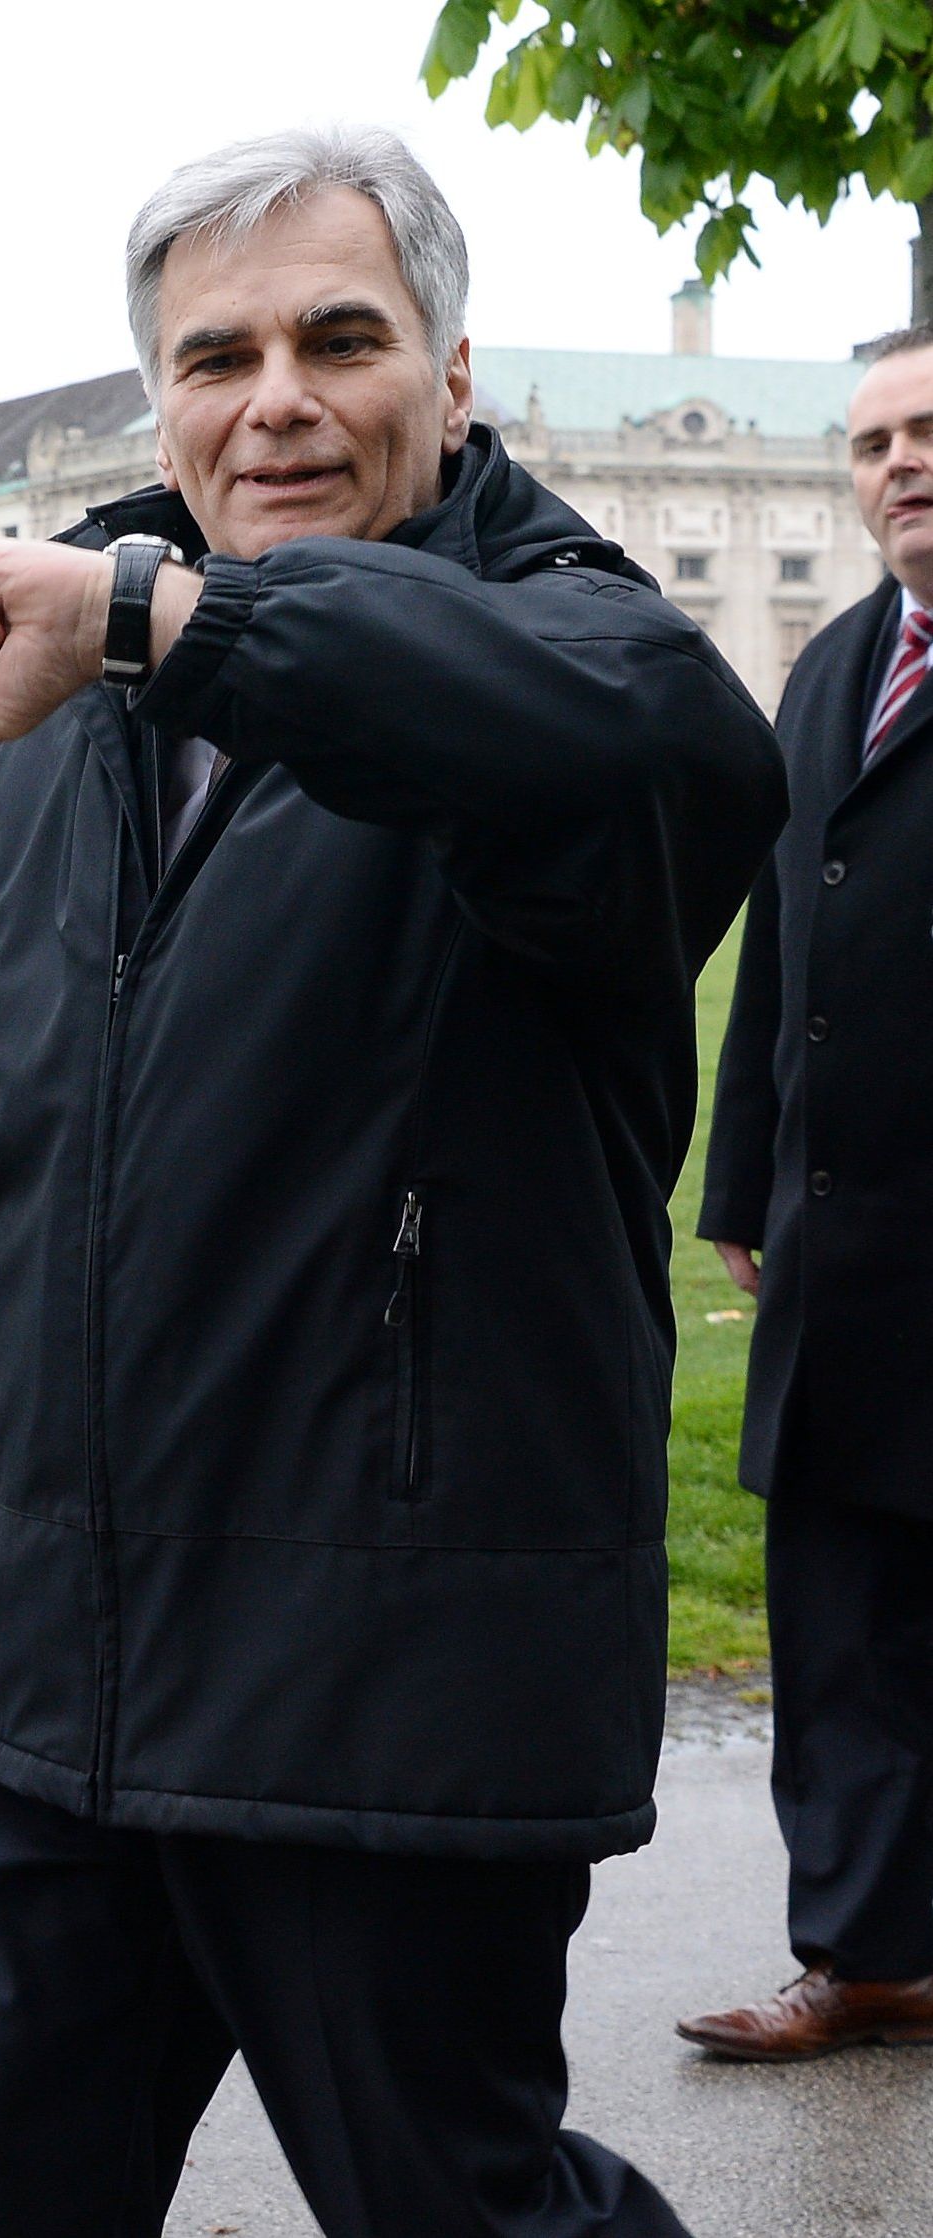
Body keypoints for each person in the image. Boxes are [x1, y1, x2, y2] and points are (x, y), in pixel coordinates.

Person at [0, 126, 784, 2237]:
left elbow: (666, 757)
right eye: (215, 354)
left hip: (383, 1683)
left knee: (454, 2206)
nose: (271, 397)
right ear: (157, 401)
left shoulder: (560, 655)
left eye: (337, 340)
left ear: (452, 384)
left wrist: (177, 622)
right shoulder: (56, 710)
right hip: (67, 1676)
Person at [681, 327, 933, 2062]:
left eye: (924, 430)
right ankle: (861, 1952)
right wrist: (739, 1179)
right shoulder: (835, 661)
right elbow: (784, 934)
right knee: (837, 1613)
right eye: (868, 442)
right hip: (844, 1229)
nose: (895, 464)